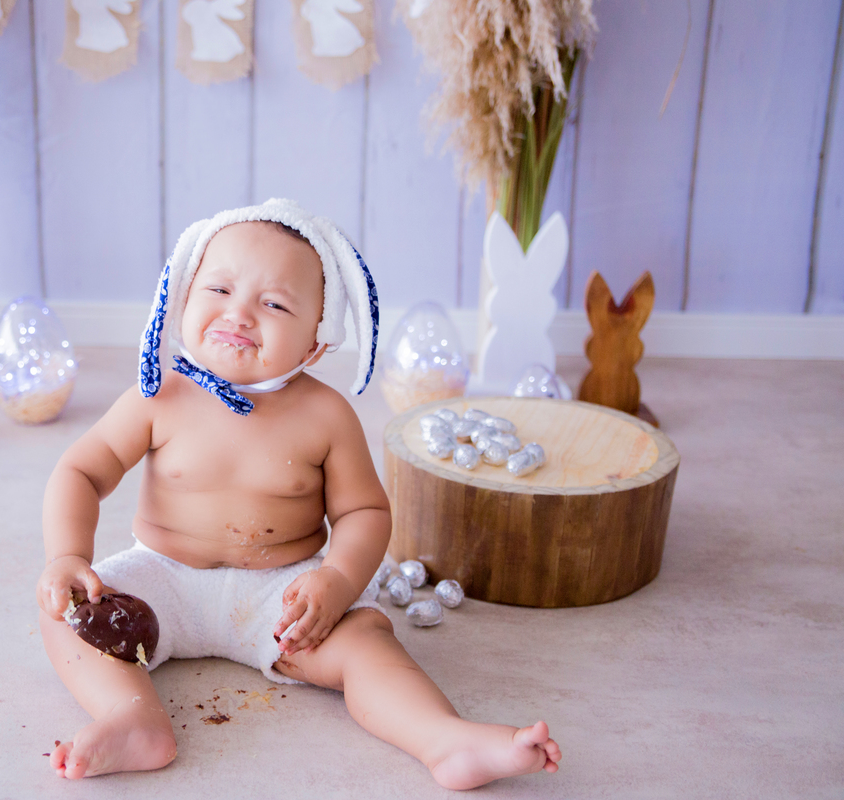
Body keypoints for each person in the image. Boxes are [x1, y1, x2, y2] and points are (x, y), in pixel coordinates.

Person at [35, 199, 561, 789]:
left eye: (275, 304)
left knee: (366, 642)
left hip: (281, 598)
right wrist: (67, 555)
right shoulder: (158, 395)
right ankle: (132, 718)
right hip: (163, 578)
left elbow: (364, 511)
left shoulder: (325, 415)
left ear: (318, 339)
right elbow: (82, 471)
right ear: (180, 295)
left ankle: (442, 738)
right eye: (219, 289)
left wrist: (337, 580)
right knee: (65, 615)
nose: (239, 313)